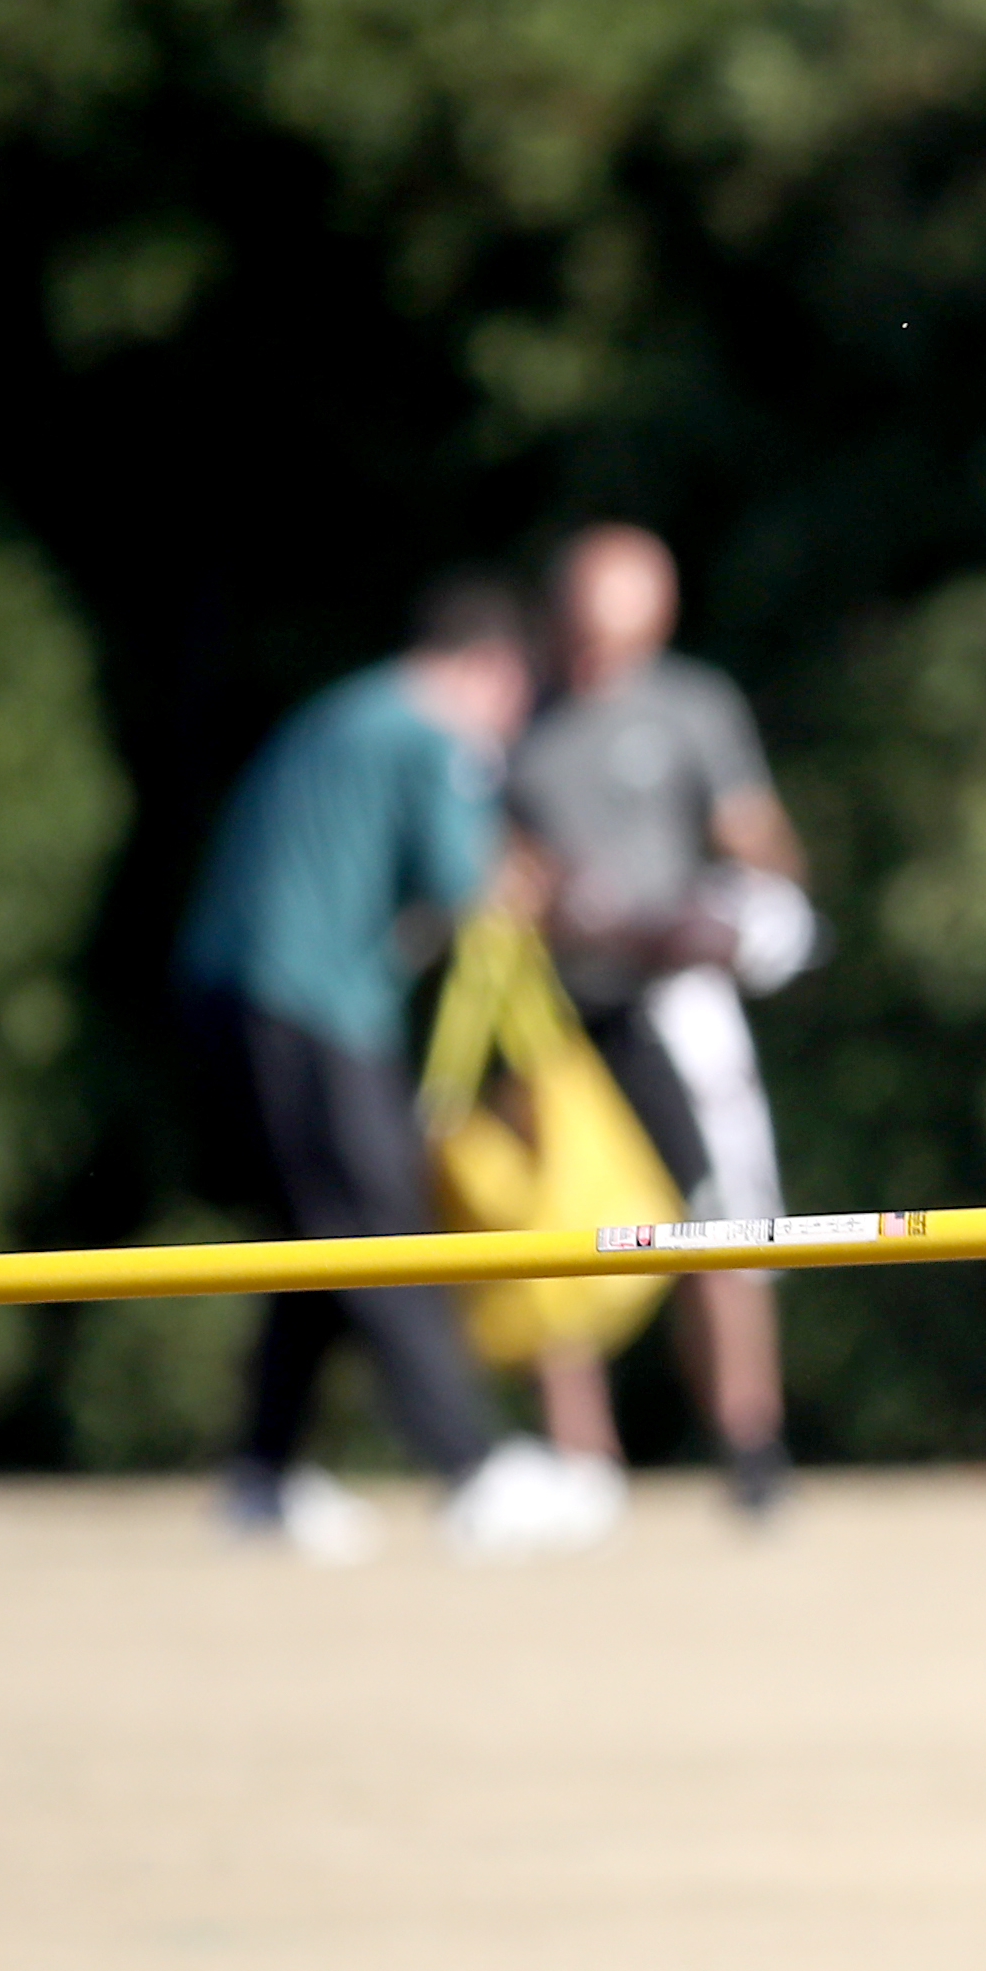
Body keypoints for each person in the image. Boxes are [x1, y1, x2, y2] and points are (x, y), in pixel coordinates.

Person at [176, 576, 624, 1563]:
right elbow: (471, 888)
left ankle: (262, 1474)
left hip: (239, 993)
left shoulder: (347, 712)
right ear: (490, 669)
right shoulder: (433, 733)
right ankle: (474, 1471)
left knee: (315, 1234)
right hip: (310, 1005)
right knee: (382, 1225)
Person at [508, 523, 820, 1514]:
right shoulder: (517, 714)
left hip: (675, 1000)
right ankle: (580, 1458)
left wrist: (753, 905)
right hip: (551, 1005)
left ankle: (749, 1438)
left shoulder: (691, 705)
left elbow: (754, 836)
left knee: (720, 1212)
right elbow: (493, 859)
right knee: (546, 1220)